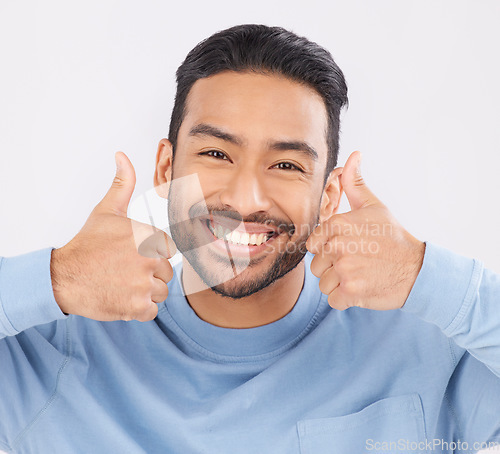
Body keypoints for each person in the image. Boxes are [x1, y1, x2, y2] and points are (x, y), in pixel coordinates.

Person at [1, 24, 499, 454]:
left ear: (328, 199)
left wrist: (422, 272)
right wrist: (57, 277)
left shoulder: (426, 351)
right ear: (167, 169)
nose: (244, 198)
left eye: (286, 165)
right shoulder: (52, 352)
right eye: (217, 154)